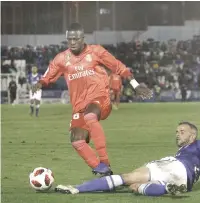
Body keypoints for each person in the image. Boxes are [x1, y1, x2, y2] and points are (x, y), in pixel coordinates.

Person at [32, 23, 152, 176]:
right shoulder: (62, 58)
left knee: (90, 115)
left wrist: (135, 85)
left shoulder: (96, 51)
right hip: (79, 105)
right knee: (76, 140)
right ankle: (103, 171)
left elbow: (118, 67)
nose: (72, 42)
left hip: (100, 98)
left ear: (83, 38)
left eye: (76, 39)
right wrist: (40, 83)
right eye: (69, 39)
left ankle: (105, 161)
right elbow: (49, 74)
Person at [55, 121, 200, 196]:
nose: (177, 134)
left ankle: (77, 189)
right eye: (176, 131)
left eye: (182, 131)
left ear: (192, 135)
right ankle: (166, 189)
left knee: (128, 177)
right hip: (185, 181)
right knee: (135, 187)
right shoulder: (189, 149)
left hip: (175, 167)